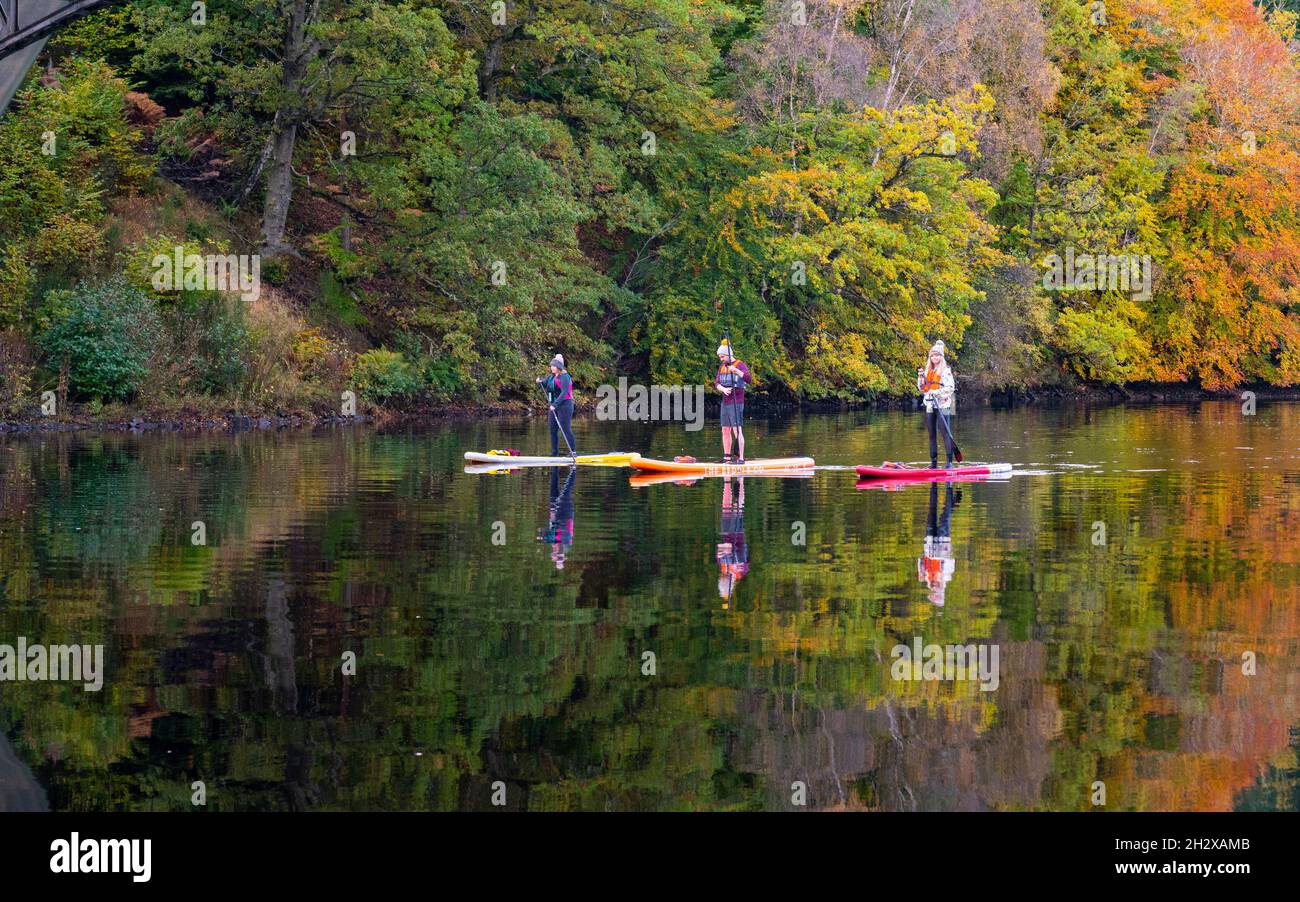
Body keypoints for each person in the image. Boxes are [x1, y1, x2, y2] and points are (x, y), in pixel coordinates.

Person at [917, 340, 956, 468]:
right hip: (929, 405)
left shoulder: (946, 371)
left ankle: (949, 463)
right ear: (930, 357)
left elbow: (950, 388)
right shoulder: (927, 371)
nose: (935, 357)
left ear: (941, 356)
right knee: (932, 434)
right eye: (932, 355)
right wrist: (920, 378)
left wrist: (936, 392)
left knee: (945, 433)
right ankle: (933, 463)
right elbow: (921, 388)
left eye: (937, 355)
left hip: (943, 405)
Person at [917, 482, 957, 607]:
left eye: (933, 589)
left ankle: (935, 486)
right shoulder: (947, 575)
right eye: (937, 590)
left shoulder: (926, 577)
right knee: (946, 515)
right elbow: (950, 558)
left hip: (929, 542)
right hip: (942, 540)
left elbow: (920, 559)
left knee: (932, 509)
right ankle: (950, 489)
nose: (934, 586)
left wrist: (921, 570)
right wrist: (941, 575)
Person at [715, 339, 753, 463]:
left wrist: (736, 371)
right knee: (725, 429)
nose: (721, 359)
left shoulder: (740, 364)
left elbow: (748, 379)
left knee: (737, 429)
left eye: (722, 356)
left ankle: (740, 457)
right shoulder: (722, 367)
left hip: (737, 402)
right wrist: (723, 389)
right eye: (720, 357)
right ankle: (727, 457)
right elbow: (717, 384)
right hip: (725, 402)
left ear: (728, 355)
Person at [716, 477, 748, 608]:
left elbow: (720, 548)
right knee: (738, 508)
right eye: (723, 579)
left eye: (722, 579)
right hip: (738, 535)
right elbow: (745, 551)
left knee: (726, 507)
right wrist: (734, 558)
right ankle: (741, 481)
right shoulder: (740, 572)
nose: (723, 577)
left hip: (726, 534)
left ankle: (729, 481)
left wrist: (726, 553)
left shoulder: (723, 567)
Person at [538, 354, 576, 457]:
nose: (551, 367)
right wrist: (540, 381)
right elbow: (545, 383)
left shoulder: (565, 377)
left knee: (565, 428)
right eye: (551, 366)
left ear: (559, 367)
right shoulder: (551, 377)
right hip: (554, 406)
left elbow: (564, 392)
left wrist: (555, 404)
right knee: (553, 430)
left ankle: (573, 452)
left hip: (565, 405)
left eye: (553, 366)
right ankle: (554, 454)